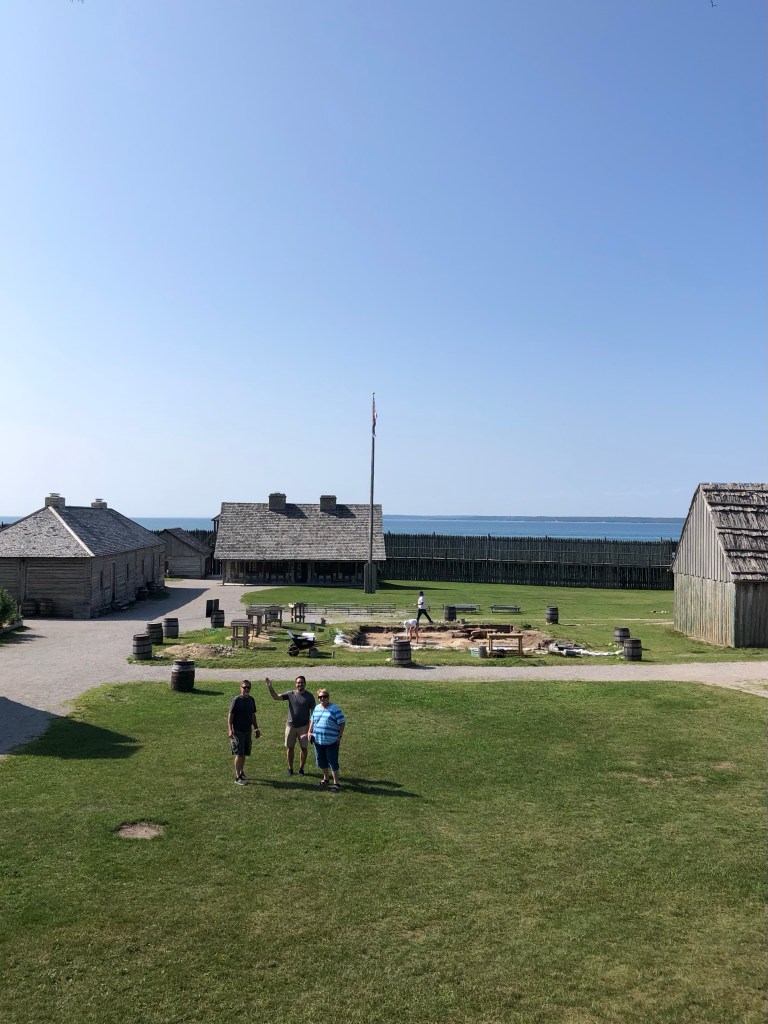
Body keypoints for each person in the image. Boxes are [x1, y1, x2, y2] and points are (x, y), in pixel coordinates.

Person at [265, 674, 316, 776]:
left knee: (304, 748)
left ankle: (301, 769)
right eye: (298, 682)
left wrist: (312, 729)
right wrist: (270, 687)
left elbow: (314, 714)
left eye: (302, 682)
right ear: (295, 684)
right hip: (290, 726)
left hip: (304, 727)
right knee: (290, 748)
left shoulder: (310, 696)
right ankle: (290, 769)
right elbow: (276, 697)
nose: (300, 684)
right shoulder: (290, 694)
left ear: (305, 683)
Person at [307, 689, 346, 792]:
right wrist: (309, 732)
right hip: (318, 740)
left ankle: (336, 783)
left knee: (333, 762)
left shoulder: (335, 709)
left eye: (324, 696)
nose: (322, 698)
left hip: (331, 741)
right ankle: (326, 779)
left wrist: (340, 736)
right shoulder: (317, 708)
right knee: (321, 761)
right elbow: (312, 720)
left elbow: (342, 722)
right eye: (320, 697)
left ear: (328, 697)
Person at [228, 680, 260, 785]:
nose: (246, 689)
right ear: (240, 688)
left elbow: (253, 715)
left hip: (247, 731)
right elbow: (230, 716)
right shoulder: (236, 700)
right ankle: (237, 777)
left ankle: (241, 772)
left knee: (244, 753)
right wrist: (230, 730)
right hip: (238, 731)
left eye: (248, 687)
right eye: (244, 687)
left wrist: (256, 728)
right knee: (239, 754)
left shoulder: (251, 700)